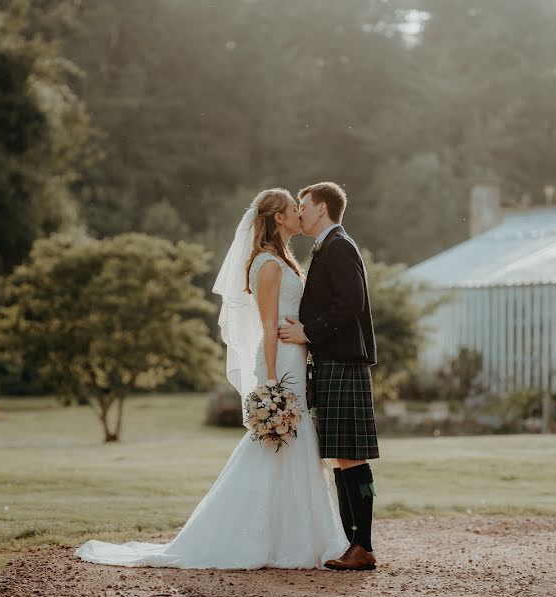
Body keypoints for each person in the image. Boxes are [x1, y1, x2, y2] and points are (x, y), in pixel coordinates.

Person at [74, 188, 347, 569]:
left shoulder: (282, 259)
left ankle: (297, 537)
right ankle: (264, 538)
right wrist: (270, 381)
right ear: (278, 219)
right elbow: (268, 326)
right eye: (293, 210)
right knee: (278, 444)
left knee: (291, 446)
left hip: (293, 359)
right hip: (280, 364)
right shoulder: (268, 264)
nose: (301, 214)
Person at [278, 181, 379, 571]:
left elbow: (351, 302)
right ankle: (355, 542)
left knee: (351, 456)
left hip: (343, 362)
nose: (299, 211)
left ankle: (363, 544)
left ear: (321, 208)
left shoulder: (338, 245)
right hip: (334, 363)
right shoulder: (331, 245)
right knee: (342, 455)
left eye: (303, 205)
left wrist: (309, 332)